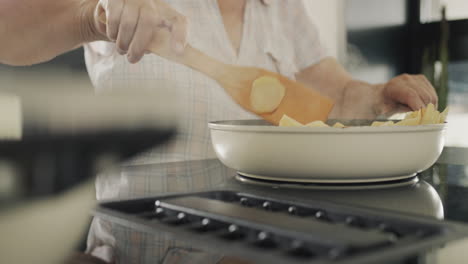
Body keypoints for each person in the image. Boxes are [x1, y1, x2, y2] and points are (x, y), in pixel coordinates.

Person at [1, 0, 438, 263]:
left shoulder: (282, 9)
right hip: (132, 234)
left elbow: (336, 97)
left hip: (259, 227)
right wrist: (92, 17)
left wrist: (378, 96)